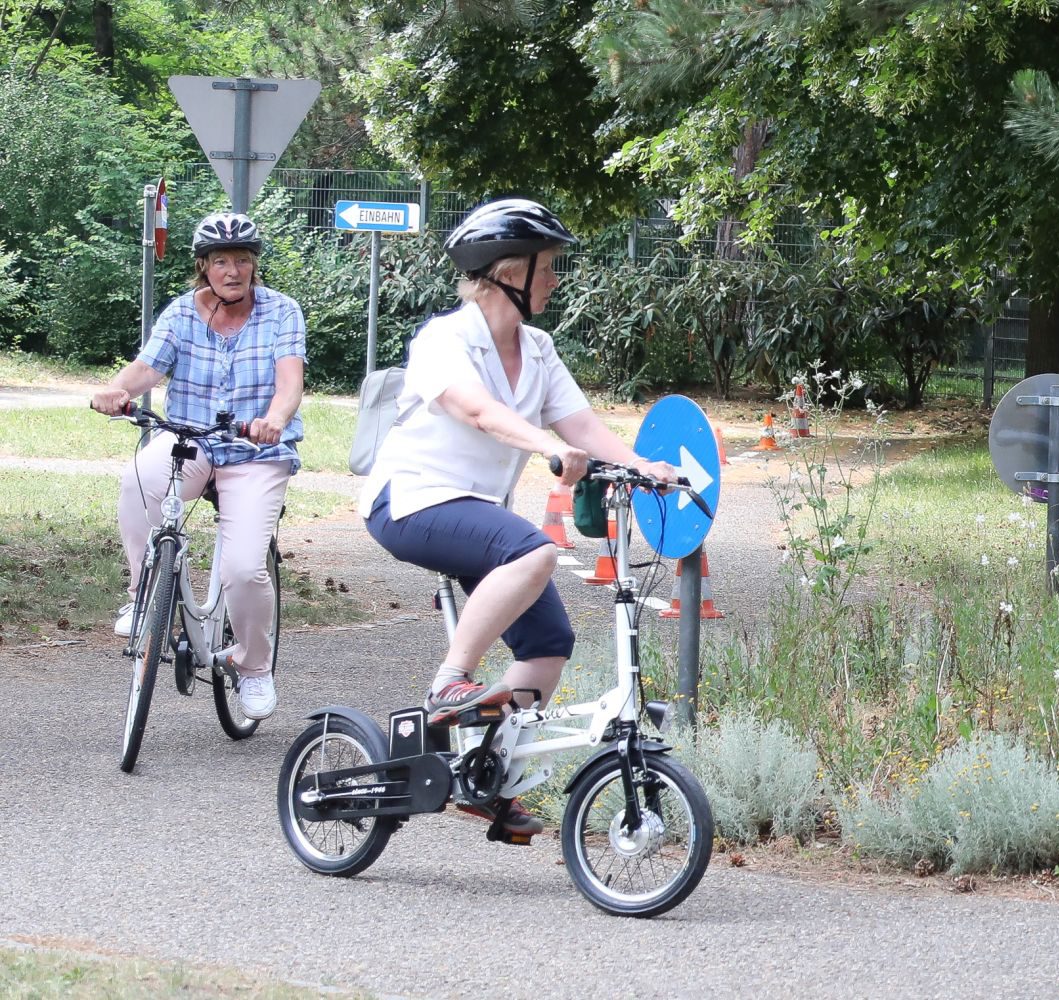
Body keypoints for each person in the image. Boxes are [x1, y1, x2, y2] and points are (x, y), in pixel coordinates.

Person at [358, 198, 677, 838]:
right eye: (548, 267)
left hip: (475, 514)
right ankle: (451, 682)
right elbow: (476, 411)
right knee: (532, 552)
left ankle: (486, 773)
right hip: (411, 501)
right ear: (508, 271)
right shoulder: (443, 340)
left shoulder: (537, 348)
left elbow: (579, 422)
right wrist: (546, 447)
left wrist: (645, 465)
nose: (557, 280)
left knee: (547, 647)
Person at [90, 212, 304, 721]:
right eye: (222, 261)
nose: (233, 270)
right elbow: (148, 367)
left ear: (255, 265)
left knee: (244, 568)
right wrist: (118, 391)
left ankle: (253, 669)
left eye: (243, 261)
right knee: (140, 479)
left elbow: (289, 383)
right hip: (190, 439)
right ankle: (146, 597)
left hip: (255, 451)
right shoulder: (183, 313)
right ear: (203, 267)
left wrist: (274, 419)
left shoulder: (281, 311)